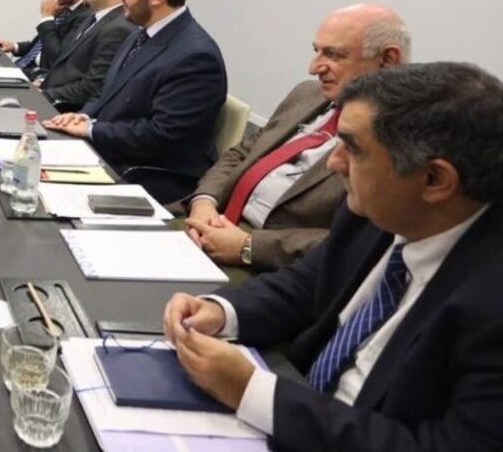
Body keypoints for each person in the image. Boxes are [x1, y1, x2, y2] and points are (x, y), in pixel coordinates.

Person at [162, 62, 503, 452]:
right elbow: (307, 284)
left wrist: (252, 392)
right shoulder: (377, 212)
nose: (334, 162)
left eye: (353, 148)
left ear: (434, 180)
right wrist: (220, 310)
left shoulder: (489, 304)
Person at [185, 3, 410, 271]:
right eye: (316, 51)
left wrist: (248, 246)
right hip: (208, 222)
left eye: (333, 55)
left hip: (267, 266)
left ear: (387, 60)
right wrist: (204, 203)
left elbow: (361, 242)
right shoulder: (307, 94)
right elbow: (242, 153)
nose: (313, 68)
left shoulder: (401, 140)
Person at [45, 0, 226, 203]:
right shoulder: (141, 33)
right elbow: (107, 92)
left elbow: (160, 136)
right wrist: (83, 116)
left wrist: (91, 129)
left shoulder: (196, 57)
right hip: (113, 151)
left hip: (149, 174)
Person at [38, 0, 134, 109]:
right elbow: (67, 67)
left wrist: (44, 95)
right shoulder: (93, 17)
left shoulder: (117, 28)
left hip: (65, 111)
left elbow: (92, 87)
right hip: (50, 94)